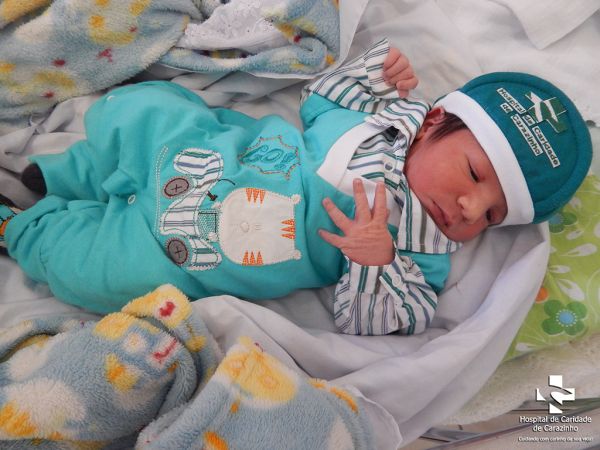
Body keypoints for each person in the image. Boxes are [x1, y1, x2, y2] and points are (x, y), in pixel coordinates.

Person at [0, 40, 592, 336]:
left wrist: (376, 261)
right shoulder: (378, 121)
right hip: (205, 153)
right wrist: (375, 73)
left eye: (491, 217)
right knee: (143, 108)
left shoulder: (419, 251)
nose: (468, 210)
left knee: (103, 276)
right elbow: (321, 96)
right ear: (434, 122)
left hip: (191, 251)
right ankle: (69, 174)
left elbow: (382, 318)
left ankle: (29, 229)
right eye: (475, 176)